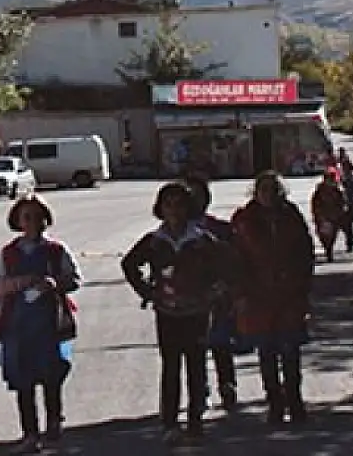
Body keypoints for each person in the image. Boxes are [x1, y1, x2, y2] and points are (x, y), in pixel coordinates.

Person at [122, 183, 229, 444]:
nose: (174, 210)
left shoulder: (201, 240)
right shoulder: (155, 241)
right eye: (168, 204)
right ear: (160, 208)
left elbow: (225, 265)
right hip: (167, 312)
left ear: (189, 207)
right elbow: (129, 263)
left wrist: (213, 293)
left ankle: (195, 420)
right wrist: (147, 291)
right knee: (170, 366)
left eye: (179, 204)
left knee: (196, 365)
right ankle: (169, 422)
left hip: (196, 312)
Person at [0, 197, 82, 453]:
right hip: (17, 327)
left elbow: (74, 278)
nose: (32, 222)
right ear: (17, 221)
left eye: (37, 217)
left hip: (49, 325)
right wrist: (18, 283)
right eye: (26, 217)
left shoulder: (56, 251)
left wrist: (55, 283)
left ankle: (54, 424)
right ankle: (29, 432)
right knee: (23, 380)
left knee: (52, 375)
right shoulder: (8, 254)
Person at [232, 171, 316, 425]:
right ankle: (275, 404)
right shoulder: (245, 220)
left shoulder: (291, 216)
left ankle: (295, 400)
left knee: (290, 350)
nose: (268, 194)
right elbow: (235, 260)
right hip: (258, 296)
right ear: (255, 193)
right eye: (263, 189)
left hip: (289, 294)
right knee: (267, 353)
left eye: (273, 189)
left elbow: (305, 252)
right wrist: (240, 293)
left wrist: (302, 285)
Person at [184, 176, 241, 413]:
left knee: (221, 343)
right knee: (193, 348)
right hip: (188, 299)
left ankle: (227, 386)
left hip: (218, 296)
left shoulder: (220, 228)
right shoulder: (174, 232)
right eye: (191, 196)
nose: (196, 201)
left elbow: (235, 261)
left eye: (200, 195)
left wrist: (230, 287)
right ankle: (200, 392)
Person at [310, 169, 349, 262]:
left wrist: (341, 211)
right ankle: (327, 248)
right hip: (322, 216)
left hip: (334, 216)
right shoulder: (319, 190)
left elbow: (343, 202)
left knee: (332, 235)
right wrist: (317, 214)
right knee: (323, 235)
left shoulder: (338, 190)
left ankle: (329, 250)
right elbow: (315, 202)